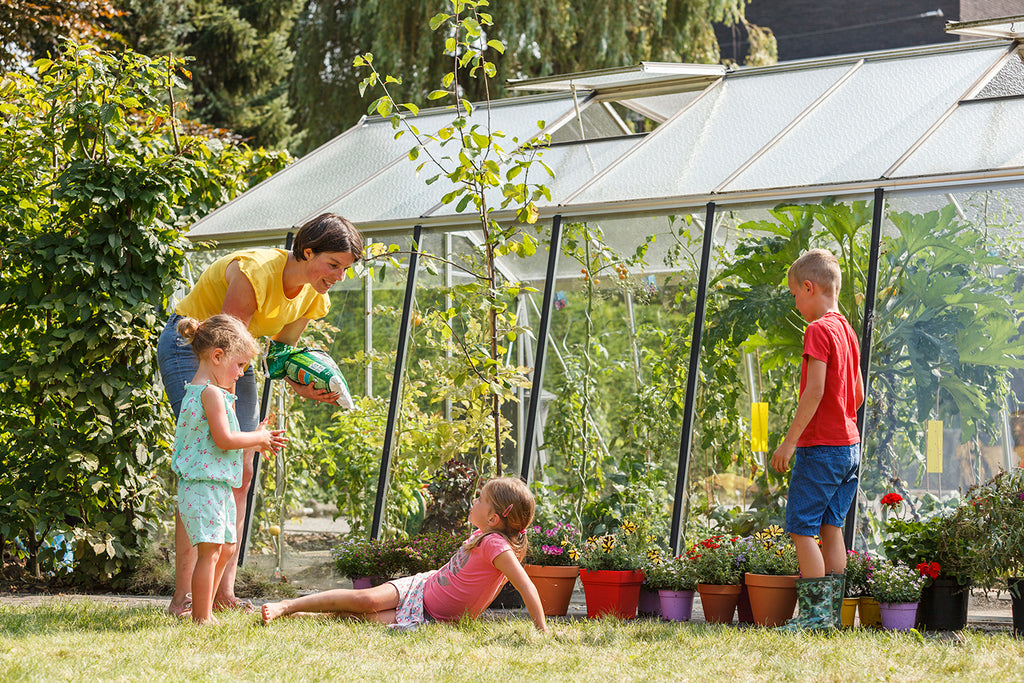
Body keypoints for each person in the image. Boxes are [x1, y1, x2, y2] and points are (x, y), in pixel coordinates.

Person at [158, 213, 364, 617]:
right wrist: (239, 432)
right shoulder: (255, 273)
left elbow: (283, 355)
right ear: (308, 252)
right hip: (195, 349)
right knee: (204, 465)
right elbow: (227, 344)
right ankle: (184, 598)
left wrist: (307, 385)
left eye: (346, 268)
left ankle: (222, 592)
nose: (339, 276)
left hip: (234, 358)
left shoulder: (314, 295)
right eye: (333, 264)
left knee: (243, 470)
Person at [260, 477, 550, 633]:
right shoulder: (484, 536)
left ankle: (303, 614)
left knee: (358, 617)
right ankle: (287, 606)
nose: (475, 501)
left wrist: (542, 631)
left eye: (481, 499)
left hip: (432, 619)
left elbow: (527, 587)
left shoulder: (496, 547)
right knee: (366, 600)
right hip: (420, 589)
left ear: (494, 518)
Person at [170, 315, 288, 623]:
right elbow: (224, 439)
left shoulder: (215, 393)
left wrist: (254, 439)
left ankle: (204, 607)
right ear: (217, 355)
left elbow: (222, 441)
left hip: (216, 484)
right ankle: (201, 617)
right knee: (210, 550)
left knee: (225, 547)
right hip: (202, 484)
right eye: (239, 365)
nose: (241, 373)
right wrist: (257, 437)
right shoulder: (209, 393)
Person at [770, 248, 864, 631]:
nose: (795, 302)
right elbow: (857, 395)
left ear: (809, 287)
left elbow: (814, 391)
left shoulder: (819, 330)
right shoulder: (847, 330)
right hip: (849, 447)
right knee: (831, 526)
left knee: (802, 528)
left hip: (821, 449)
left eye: (795, 293)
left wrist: (790, 442)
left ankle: (813, 618)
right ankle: (833, 616)